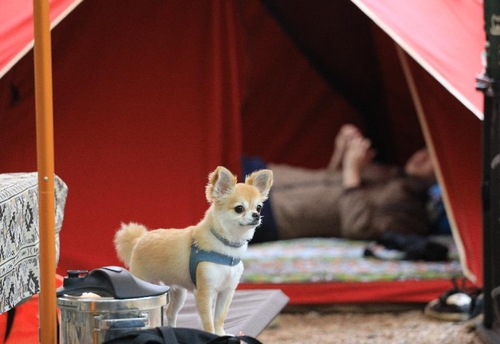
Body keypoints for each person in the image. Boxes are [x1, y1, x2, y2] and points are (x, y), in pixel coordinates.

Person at [245, 124, 442, 243]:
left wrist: (352, 173)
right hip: (264, 173)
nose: (423, 156)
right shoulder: (391, 171)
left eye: (434, 157)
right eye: (425, 149)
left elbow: (359, 228)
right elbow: (331, 182)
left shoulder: (412, 212)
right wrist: (342, 152)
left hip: (275, 212)